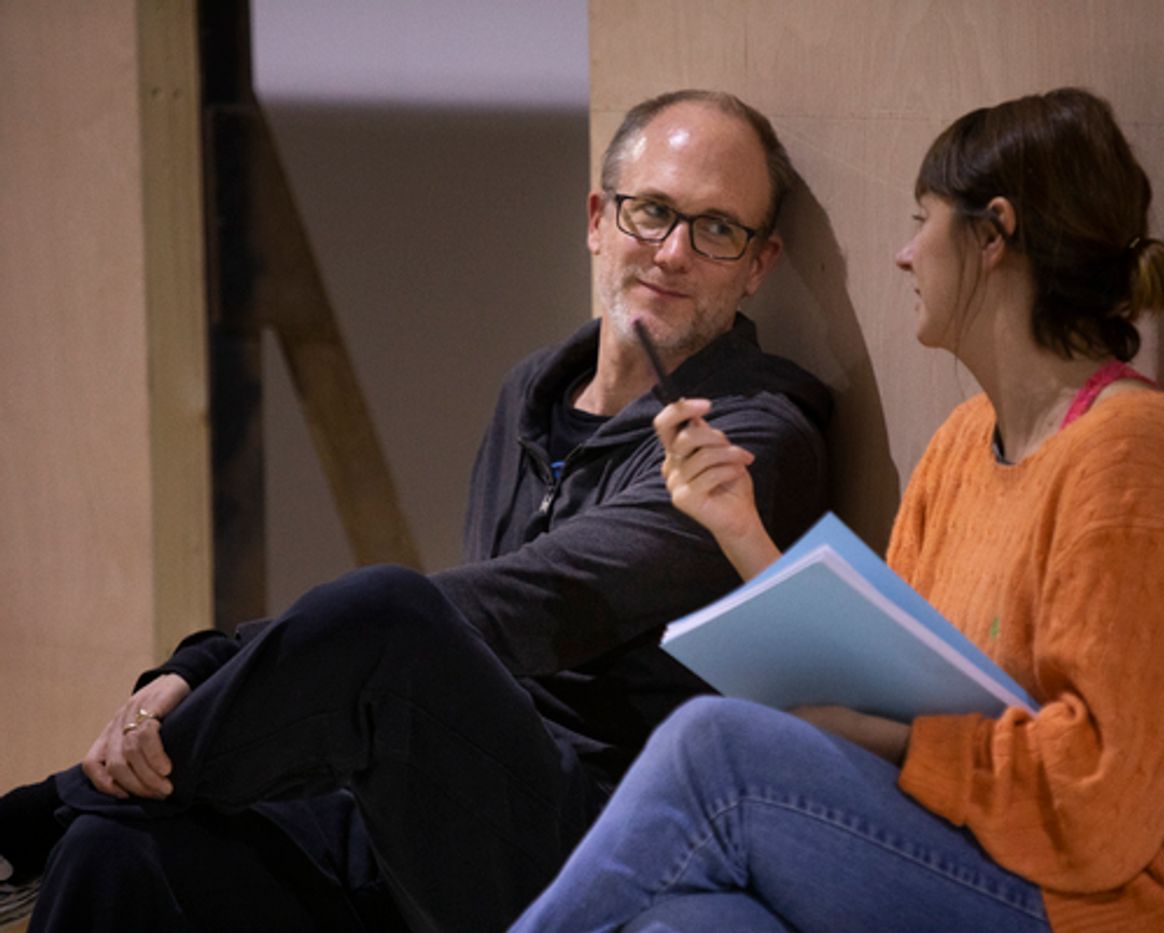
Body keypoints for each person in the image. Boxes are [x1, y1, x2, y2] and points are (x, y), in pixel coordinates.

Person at [0, 89, 832, 932]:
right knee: (118, 848)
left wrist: (213, 659)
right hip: (435, 808)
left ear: (759, 264)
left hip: (604, 843)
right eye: (651, 211)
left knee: (391, 615)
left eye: (716, 229)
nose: (673, 252)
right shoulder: (533, 392)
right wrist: (209, 670)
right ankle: (75, 823)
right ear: (597, 219)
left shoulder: (747, 439)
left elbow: (523, 606)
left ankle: (39, 816)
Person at [510, 88, 1164, 932]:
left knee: (714, 749)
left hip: (1117, 906)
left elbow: (1105, 804)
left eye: (924, 221)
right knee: (691, 925)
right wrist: (739, 526)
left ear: (992, 234)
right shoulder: (962, 444)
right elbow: (883, 679)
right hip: (976, 858)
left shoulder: (1141, 459)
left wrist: (895, 741)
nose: (906, 255)